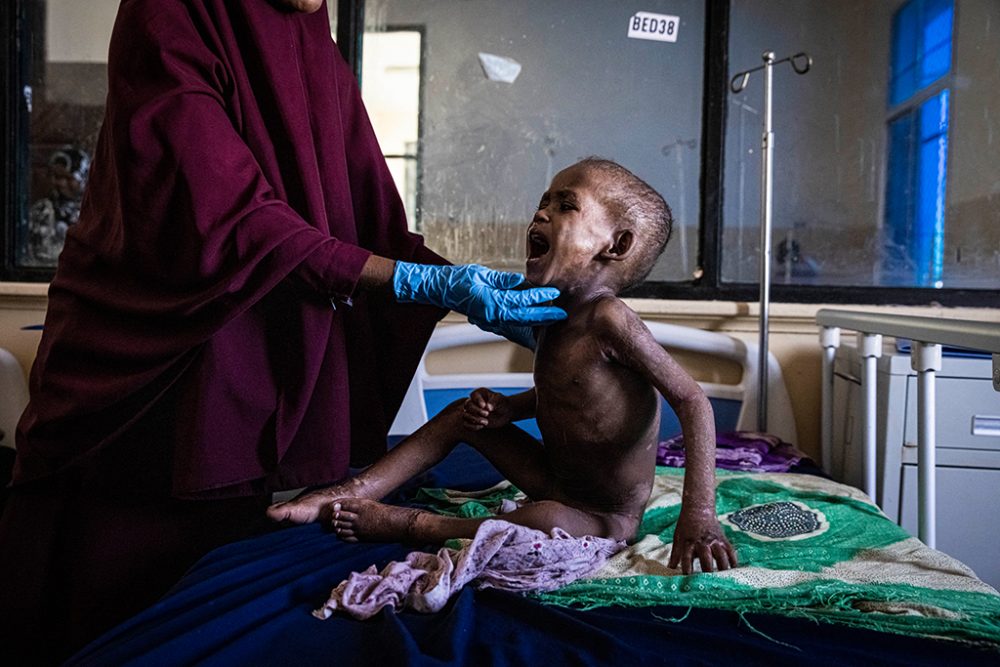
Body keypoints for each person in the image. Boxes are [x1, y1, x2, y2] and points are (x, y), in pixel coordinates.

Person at [0, 1, 562, 663]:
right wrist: (426, 285)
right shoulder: (169, 14)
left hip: (251, 368)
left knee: (221, 595)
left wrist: (468, 292)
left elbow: (366, 217)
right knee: (110, 603)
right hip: (149, 367)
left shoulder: (307, 32)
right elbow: (230, 218)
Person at [268, 158, 738, 575]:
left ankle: (414, 524)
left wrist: (699, 513)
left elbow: (693, 401)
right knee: (460, 414)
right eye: (542, 202)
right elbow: (571, 390)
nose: (540, 213)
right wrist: (510, 412)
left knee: (545, 523)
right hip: (552, 477)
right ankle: (352, 489)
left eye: (565, 205)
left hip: (601, 512)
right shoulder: (553, 316)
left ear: (615, 245)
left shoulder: (610, 320)